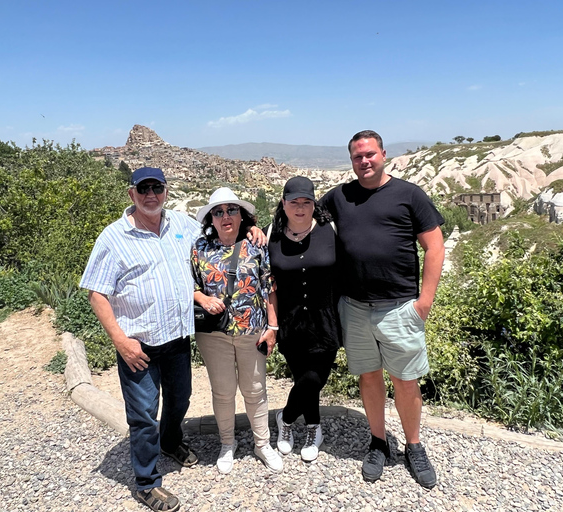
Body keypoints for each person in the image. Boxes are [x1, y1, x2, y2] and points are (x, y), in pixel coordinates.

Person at [80, 168, 265, 512]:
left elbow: (221, 229)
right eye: (144, 188)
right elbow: (96, 293)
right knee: (144, 414)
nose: (151, 195)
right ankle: (147, 484)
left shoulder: (182, 225)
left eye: (157, 188)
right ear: (131, 194)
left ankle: (169, 442)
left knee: (180, 400)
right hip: (139, 344)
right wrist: (120, 341)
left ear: (165, 191)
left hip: (177, 338)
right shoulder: (113, 237)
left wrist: (252, 228)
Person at [320, 130, 445, 489]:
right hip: (355, 308)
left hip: (400, 307)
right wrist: (258, 231)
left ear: (383, 154)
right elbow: (301, 216)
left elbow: (434, 247)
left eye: (370, 154)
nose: (365, 161)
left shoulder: (408, 194)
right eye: (358, 156)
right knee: (369, 376)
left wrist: (425, 302)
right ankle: (378, 442)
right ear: (351, 160)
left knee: (406, 381)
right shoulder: (339, 196)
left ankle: (414, 445)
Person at [191, 187, 283, 474]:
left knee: (255, 390)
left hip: (252, 330)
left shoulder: (256, 245)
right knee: (222, 392)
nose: (225, 216)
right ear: (211, 219)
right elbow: (188, 285)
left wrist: (273, 327)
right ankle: (227, 444)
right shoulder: (200, 248)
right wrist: (202, 298)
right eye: (218, 212)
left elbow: (270, 287)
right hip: (213, 334)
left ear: (242, 215)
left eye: (231, 210)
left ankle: (262, 443)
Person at [267, 176, 340, 462]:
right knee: (301, 378)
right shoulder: (269, 233)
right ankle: (313, 427)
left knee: (313, 378)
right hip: (290, 323)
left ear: (314, 203)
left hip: (326, 319)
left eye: (306, 202)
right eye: (294, 202)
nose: (300, 208)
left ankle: (284, 419)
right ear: (283, 204)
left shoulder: (330, 229)